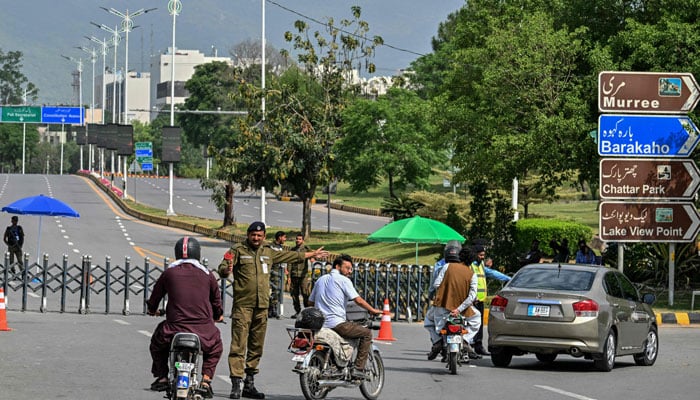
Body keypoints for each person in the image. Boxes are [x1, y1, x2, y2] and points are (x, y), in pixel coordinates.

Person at [218, 222, 328, 400]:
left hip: (262, 307)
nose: (256, 238)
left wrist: (312, 254)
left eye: (259, 236)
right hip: (243, 306)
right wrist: (227, 270)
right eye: (253, 235)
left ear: (264, 237)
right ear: (248, 235)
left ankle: (249, 383)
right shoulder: (238, 250)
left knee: (256, 346)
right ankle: (236, 382)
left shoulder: (268, 252)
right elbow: (223, 268)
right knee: (239, 345)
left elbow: (290, 255)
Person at [146, 237, 224, 399]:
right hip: (204, 331)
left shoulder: (169, 273)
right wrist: (218, 316)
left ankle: (162, 377)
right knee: (216, 346)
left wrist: (152, 310)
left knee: (156, 344)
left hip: (173, 329)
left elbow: (155, 297)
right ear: (198, 254)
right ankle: (206, 381)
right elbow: (217, 301)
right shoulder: (208, 275)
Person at [308, 254, 383, 380]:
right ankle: (358, 369)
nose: (349, 271)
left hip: (320, 324)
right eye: (347, 268)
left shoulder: (320, 279)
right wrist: (372, 310)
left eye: (351, 269)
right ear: (337, 266)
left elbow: (310, 302)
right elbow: (358, 300)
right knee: (366, 334)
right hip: (337, 324)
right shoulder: (343, 280)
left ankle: (335, 364)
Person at [424, 242, 480, 361]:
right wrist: (458, 309)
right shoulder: (472, 274)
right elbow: (472, 295)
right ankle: (465, 340)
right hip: (462, 311)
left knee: (428, 320)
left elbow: (436, 284)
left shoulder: (447, 266)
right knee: (477, 318)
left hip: (442, 307)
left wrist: (442, 294)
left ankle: (437, 341)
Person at [469, 245, 511, 356]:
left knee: (479, 324)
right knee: (471, 324)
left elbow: (492, 273)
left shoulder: (481, 265)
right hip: (471, 300)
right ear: (475, 254)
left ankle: (478, 346)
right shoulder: (470, 265)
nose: (482, 257)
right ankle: (468, 346)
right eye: (480, 255)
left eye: (483, 255)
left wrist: (509, 279)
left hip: (480, 300)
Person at [289, 233, 314, 318]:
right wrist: (288, 275)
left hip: (303, 275)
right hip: (294, 275)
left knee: (305, 293)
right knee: (294, 294)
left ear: (302, 240)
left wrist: (312, 258)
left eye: (299, 239)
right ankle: (297, 311)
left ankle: (307, 312)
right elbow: (289, 262)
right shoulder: (292, 250)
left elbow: (312, 256)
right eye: (297, 239)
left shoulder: (306, 249)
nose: (297, 240)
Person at [268, 231, 287, 319]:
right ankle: (272, 307)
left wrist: (285, 269)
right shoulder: (272, 247)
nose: (285, 239)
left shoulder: (280, 247)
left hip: (280, 270)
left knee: (279, 289)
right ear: (279, 237)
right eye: (284, 237)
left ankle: (274, 306)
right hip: (274, 270)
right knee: (275, 289)